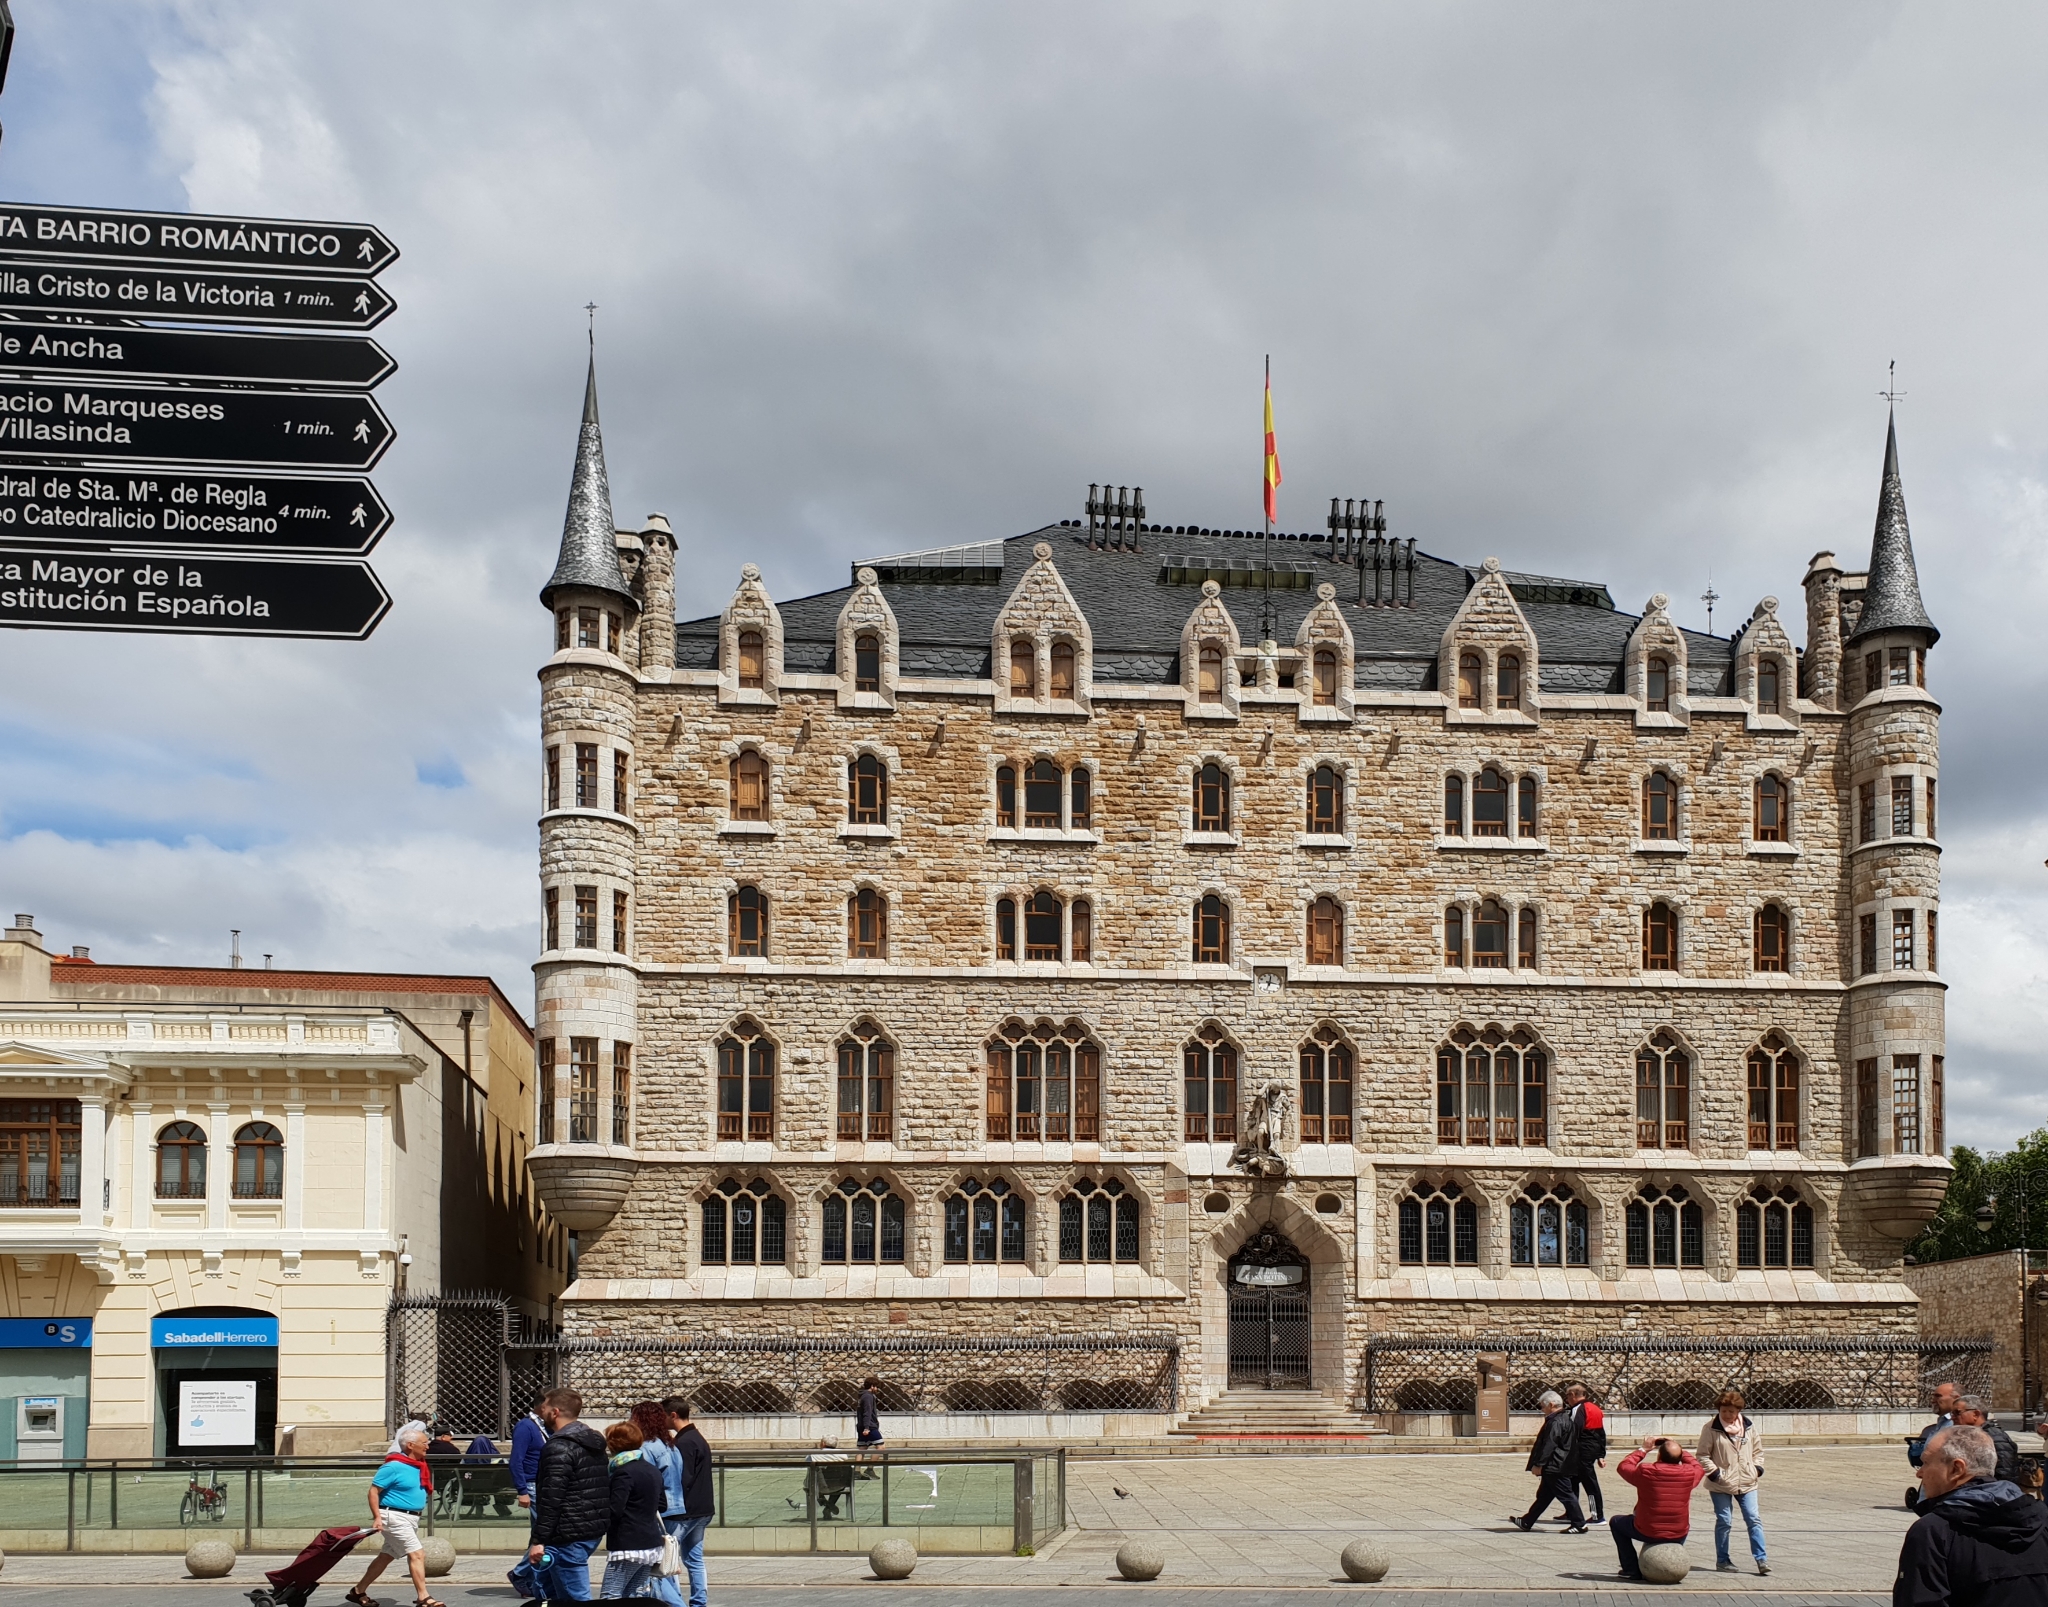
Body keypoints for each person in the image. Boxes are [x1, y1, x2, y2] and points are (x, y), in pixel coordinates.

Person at [1894, 1422, 2048, 1605]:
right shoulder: (2041, 1519)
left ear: (1957, 1469)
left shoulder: (1934, 1532)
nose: (1920, 1473)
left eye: (1926, 1463)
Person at [525, 1387, 610, 1604]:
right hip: (588, 1528)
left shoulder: (559, 1446)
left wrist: (539, 1539)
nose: (539, 1413)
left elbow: (552, 1497)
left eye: (543, 1408)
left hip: (567, 1533)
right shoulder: (593, 1442)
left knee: (574, 1597)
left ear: (555, 1412)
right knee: (551, 1591)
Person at [344, 1423, 442, 1607]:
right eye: (424, 1442)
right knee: (417, 1554)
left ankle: (358, 1591)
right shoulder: (394, 1466)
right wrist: (377, 1517)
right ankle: (424, 1597)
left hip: (410, 1517)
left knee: (386, 1556)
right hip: (394, 1517)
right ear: (411, 1445)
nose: (428, 1446)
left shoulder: (419, 1465)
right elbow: (373, 1491)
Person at [1611, 1435, 1707, 1581]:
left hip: (1647, 1529)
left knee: (1616, 1522)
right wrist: (1678, 1448)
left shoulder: (1646, 1471)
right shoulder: (1689, 1473)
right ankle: (1673, 1555)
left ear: (1659, 1455)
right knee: (1683, 1525)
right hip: (1678, 1532)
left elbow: (1624, 1466)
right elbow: (1698, 1466)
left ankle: (1631, 1569)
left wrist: (1643, 1449)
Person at [1699, 1388, 1769, 1576]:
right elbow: (1703, 1455)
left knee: (1753, 1519)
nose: (1727, 1415)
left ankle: (1761, 1559)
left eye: (1731, 1411)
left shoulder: (1748, 1427)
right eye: (1724, 1411)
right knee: (1724, 1521)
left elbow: (1758, 1451)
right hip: (1721, 1483)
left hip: (1747, 1481)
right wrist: (1715, 1474)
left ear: (1738, 1411)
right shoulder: (1710, 1428)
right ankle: (1723, 1560)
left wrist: (1757, 1469)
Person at [598, 1420, 669, 1601]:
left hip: (628, 1542)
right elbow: (662, 1505)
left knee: (611, 1594)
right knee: (634, 1594)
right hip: (650, 1542)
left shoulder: (623, 1472)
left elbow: (616, 1508)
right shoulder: (651, 1470)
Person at [627, 1401, 685, 1606]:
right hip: (677, 1508)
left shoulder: (646, 1448)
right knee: (667, 1568)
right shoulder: (669, 1445)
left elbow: (646, 1482)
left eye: (632, 1417)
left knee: (656, 1570)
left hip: (661, 1512)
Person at [1512, 1390, 1586, 1532]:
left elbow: (1549, 1444)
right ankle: (1527, 1521)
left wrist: (1539, 1464)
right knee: (1544, 1496)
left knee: (1566, 1495)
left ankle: (1579, 1523)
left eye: (1542, 1406)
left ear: (1551, 1405)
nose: (1542, 1409)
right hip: (1559, 1463)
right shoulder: (1564, 1418)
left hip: (1555, 1465)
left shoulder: (1556, 1421)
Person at [665, 1396, 714, 1607]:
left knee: (668, 1560)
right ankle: (699, 1602)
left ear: (673, 1415)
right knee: (694, 1560)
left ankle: (674, 1602)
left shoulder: (684, 1443)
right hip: (703, 1508)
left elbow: (682, 1477)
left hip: (685, 1511)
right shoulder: (697, 1438)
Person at [1910, 1384, 1965, 1509]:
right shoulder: (1941, 1423)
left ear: (1956, 1398)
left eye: (1938, 1396)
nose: (1933, 1400)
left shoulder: (1957, 1425)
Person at [1566, 1384, 1608, 1524]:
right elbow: (1601, 1433)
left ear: (1573, 1395)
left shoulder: (1578, 1409)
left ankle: (1597, 1515)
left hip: (1581, 1451)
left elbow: (1574, 1431)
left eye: (1567, 1396)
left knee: (1589, 1484)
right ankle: (1571, 1511)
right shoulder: (1595, 1408)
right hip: (1592, 1449)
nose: (1567, 1400)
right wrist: (1601, 1454)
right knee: (1572, 1481)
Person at [1954, 1398, 2022, 1485]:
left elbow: (2005, 1473)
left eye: (1957, 1412)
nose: (1952, 1417)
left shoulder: (1995, 1437)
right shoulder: (1968, 1435)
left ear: (1975, 1414)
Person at [512, 1397, 549, 1512]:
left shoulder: (547, 1425)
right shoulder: (525, 1426)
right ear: (543, 1406)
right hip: (533, 1483)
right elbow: (516, 1460)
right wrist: (522, 1490)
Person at [808, 1436, 855, 1520]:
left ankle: (826, 1503)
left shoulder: (814, 1455)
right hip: (839, 1485)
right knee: (838, 1479)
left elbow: (807, 1463)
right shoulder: (843, 1455)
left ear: (823, 1444)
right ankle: (829, 1506)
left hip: (818, 1486)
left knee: (812, 1479)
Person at [855, 1376, 885, 1477]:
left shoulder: (862, 1396)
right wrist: (867, 1427)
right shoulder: (868, 1396)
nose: (877, 1389)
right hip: (870, 1426)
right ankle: (870, 1469)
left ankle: (857, 1471)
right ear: (872, 1386)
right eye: (876, 1387)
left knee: (862, 1448)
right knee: (881, 1447)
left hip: (861, 1425)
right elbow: (867, 1413)